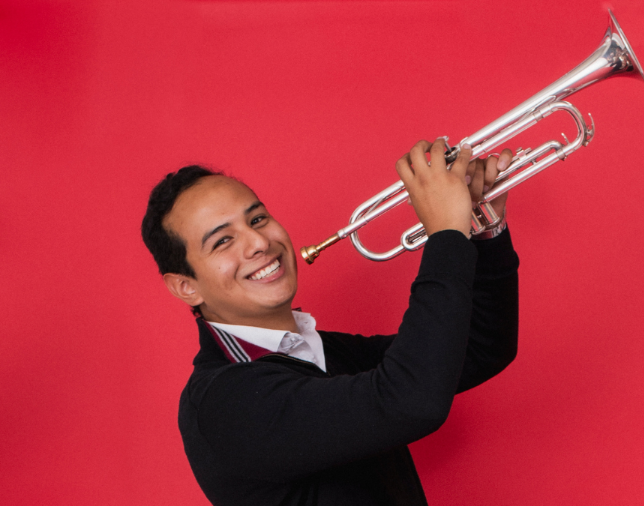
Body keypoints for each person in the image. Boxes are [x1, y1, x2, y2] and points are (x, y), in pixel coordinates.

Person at [141, 139, 520, 505]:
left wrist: (482, 223)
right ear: (186, 287)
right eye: (222, 241)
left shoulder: (322, 352)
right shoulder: (223, 403)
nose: (257, 242)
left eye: (257, 218)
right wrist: (446, 235)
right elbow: (411, 401)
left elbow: (483, 347)